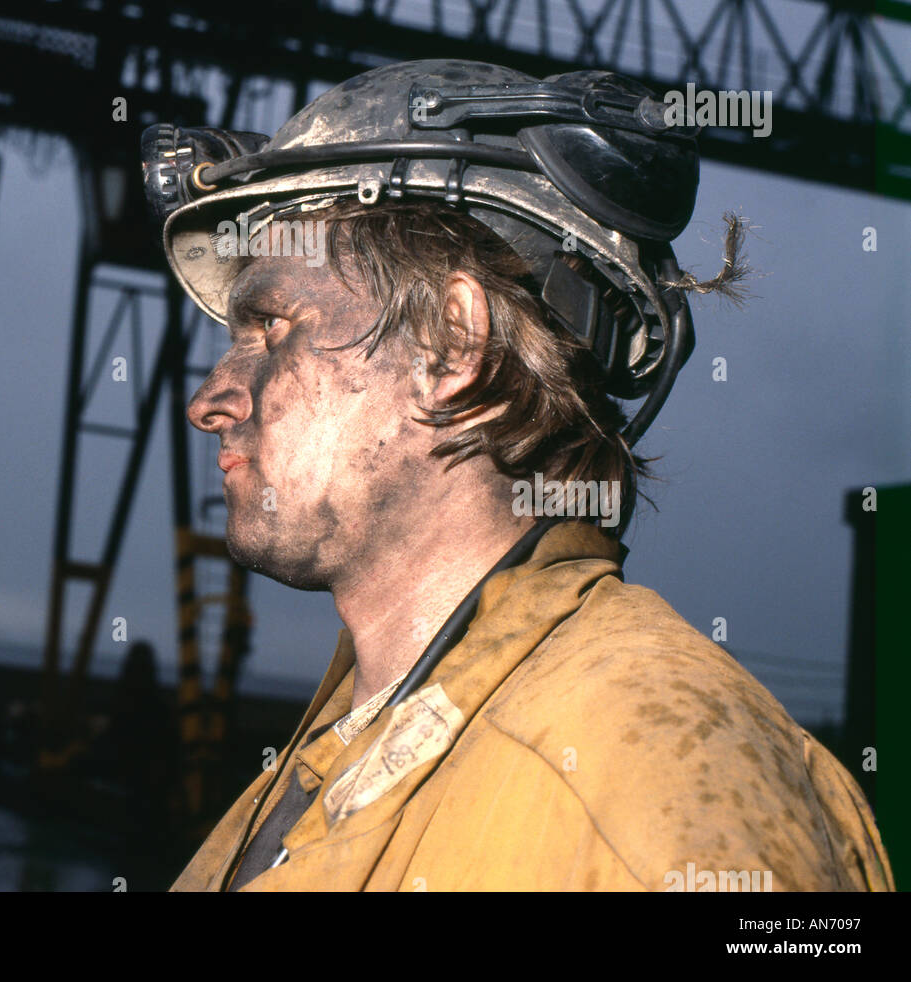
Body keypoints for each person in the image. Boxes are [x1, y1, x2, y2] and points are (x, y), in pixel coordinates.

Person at [140, 59, 892, 892]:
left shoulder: (649, 774)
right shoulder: (348, 746)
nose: (210, 400)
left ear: (451, 344)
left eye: (270, 328)